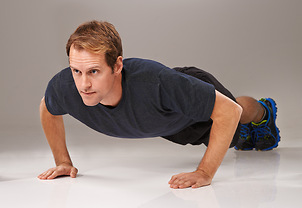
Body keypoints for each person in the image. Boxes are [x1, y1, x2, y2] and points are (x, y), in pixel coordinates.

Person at [38, 20, 280, 189]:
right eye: (76, 71)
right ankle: (247, 133)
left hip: (185, 99)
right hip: (167, 124)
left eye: (94, 71)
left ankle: (263, 112)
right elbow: (47, 109)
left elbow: (229, 111)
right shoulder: (64, 87)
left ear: (117, 66)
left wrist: (204, 173)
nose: (84, 83)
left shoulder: (156, 83)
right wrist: (63, 162)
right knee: (236, 140)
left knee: (237, 119)